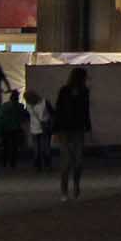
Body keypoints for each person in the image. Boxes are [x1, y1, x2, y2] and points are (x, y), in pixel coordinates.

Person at [53, 67, 91, 199]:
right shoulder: (64, 91)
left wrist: (87, 128)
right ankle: (64, 190)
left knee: (78, 161)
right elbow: (58, 110)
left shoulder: (84, 92)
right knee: (67, 161)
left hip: (78, 129)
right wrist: (56, 130)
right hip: (65, 130)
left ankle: (75, 184)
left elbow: (86, 111)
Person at [0, 88, 28, 168]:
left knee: (5, 147)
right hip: (15, 129)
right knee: (14, 147)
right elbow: (24, 117)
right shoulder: (20, 106)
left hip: (5, 129)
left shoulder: (4, 106)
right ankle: (13, 163)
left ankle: (4, 162)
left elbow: (0, 118)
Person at [26, 88, 54, 171]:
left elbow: (28, 115)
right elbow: (52, 113)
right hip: (45, 127)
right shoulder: (45, 102)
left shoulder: (28, 104)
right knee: (46, 147)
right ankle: (47, 165)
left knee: (36, 149)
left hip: (34, 128)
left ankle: (37, 165)